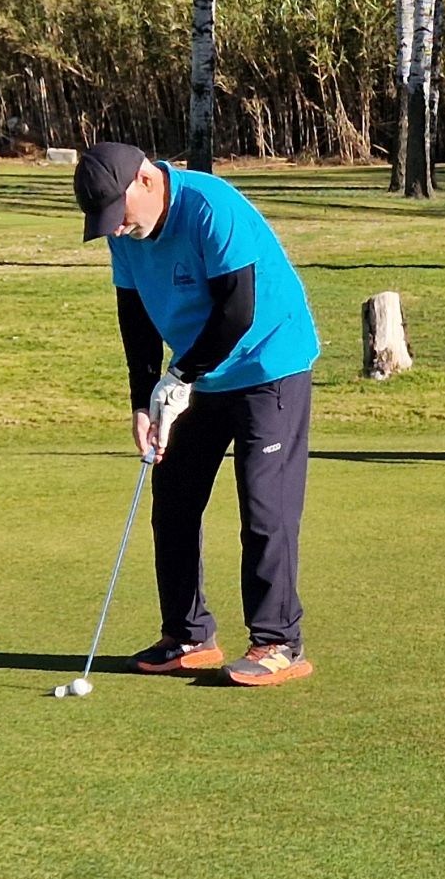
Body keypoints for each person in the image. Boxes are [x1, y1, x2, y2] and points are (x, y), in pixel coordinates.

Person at [72, 142, 321, 686]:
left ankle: (279, 642)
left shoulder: (211, 207)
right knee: (174, 500)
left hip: (269, 364)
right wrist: (143, 401)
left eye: (118, 213)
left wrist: (180, 377)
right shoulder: (124, 232)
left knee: (265, 507)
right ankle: (189, 635)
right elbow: (136, 319)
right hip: (197, 373)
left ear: (145, 179)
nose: (116, 229)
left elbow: (237, 309)